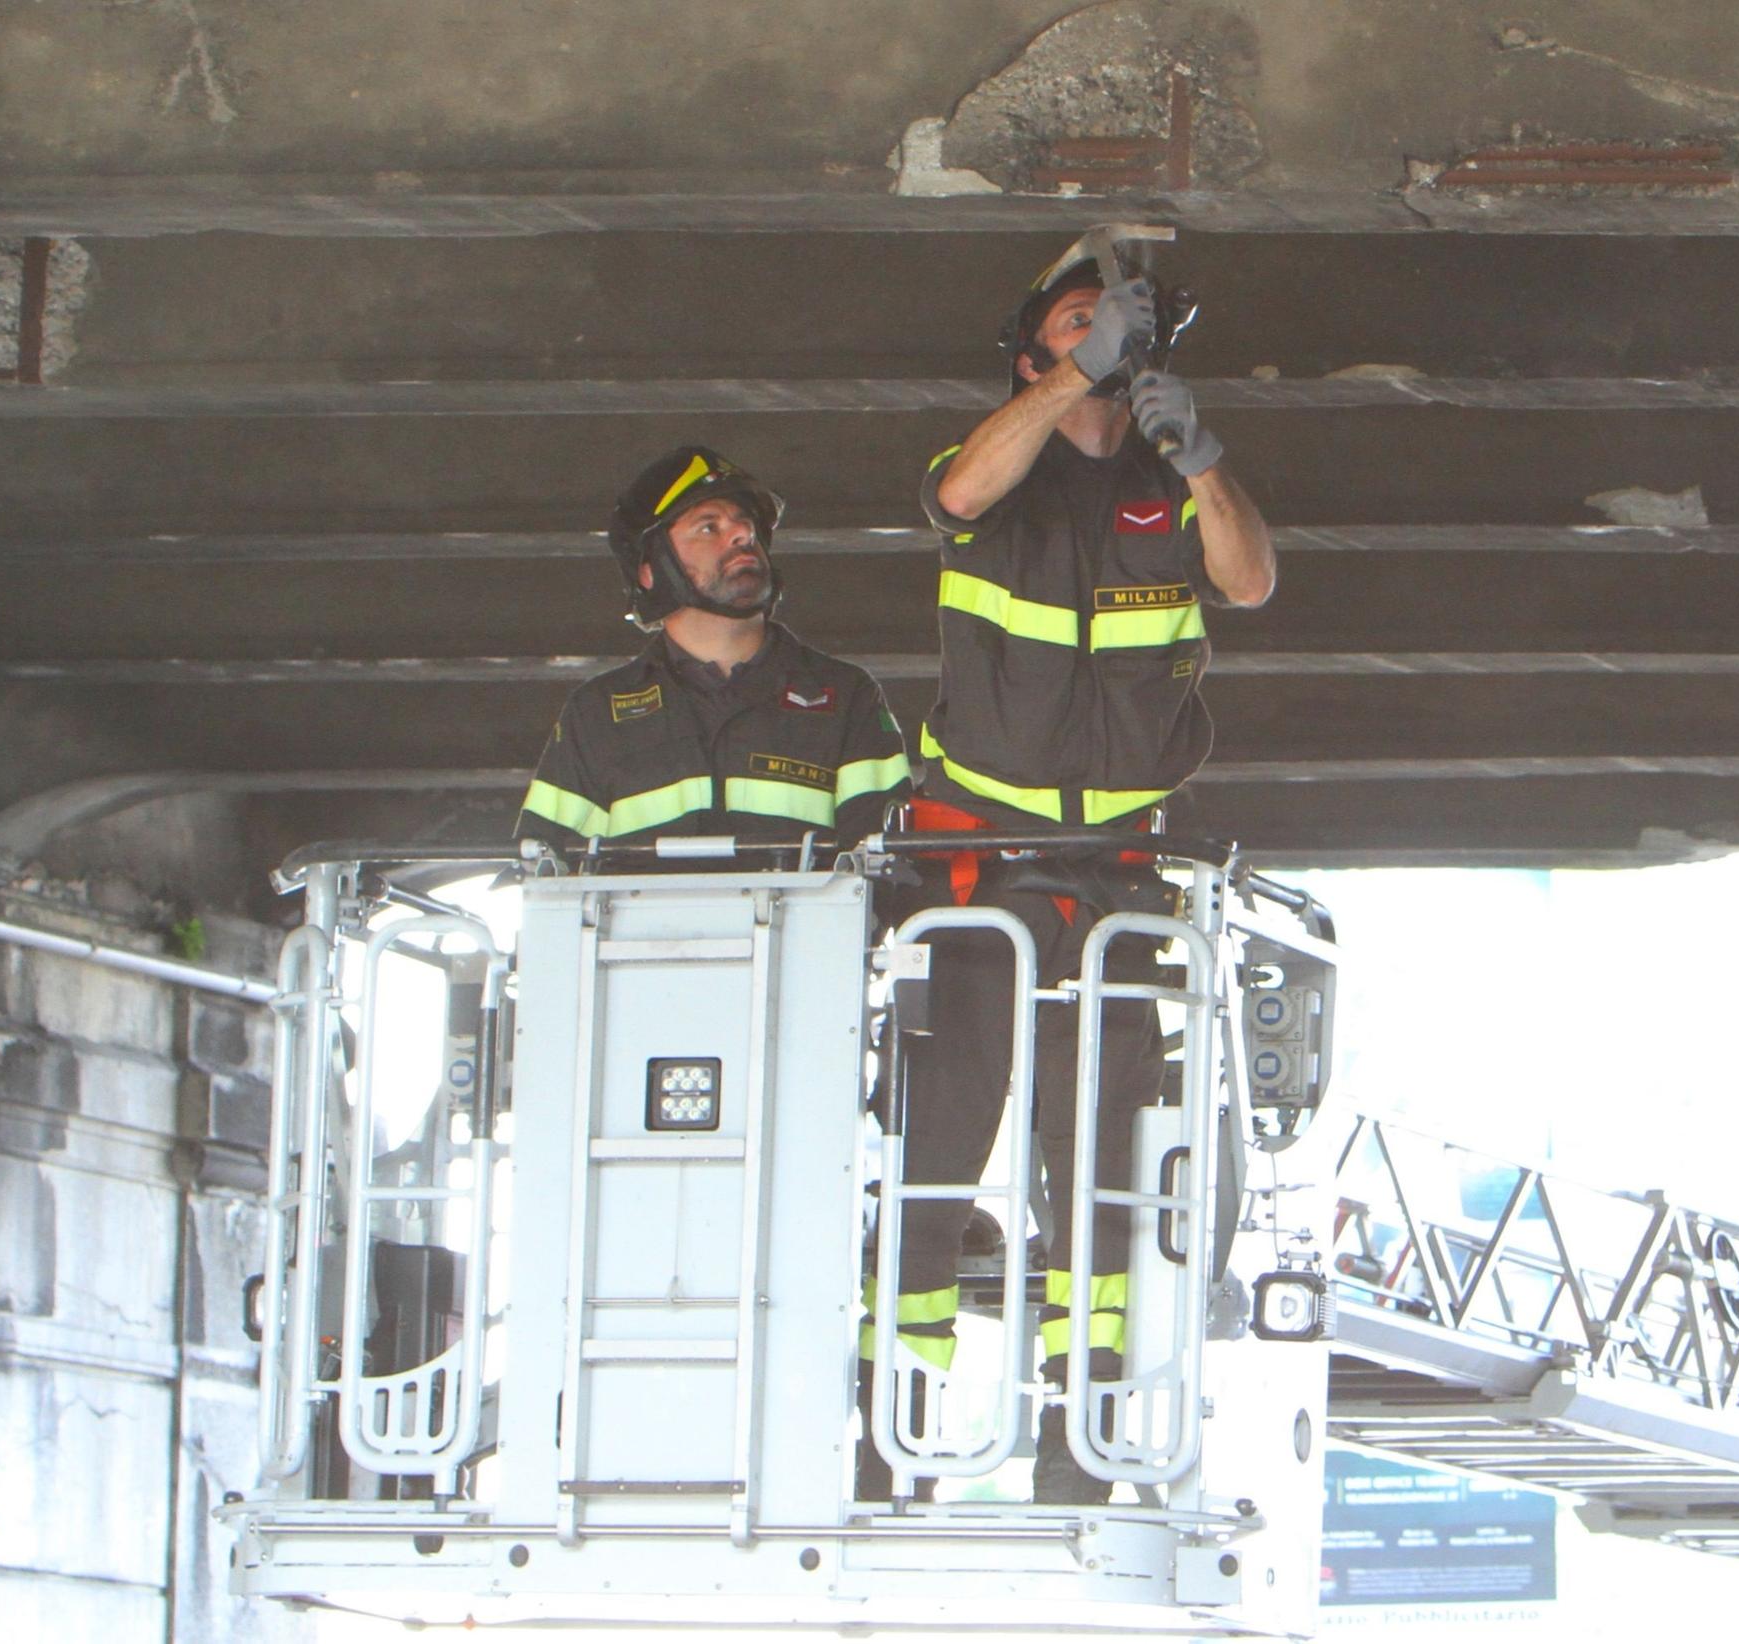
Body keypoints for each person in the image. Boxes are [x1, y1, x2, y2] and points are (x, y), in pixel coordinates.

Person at [865, 253, 1273, 1505]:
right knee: (938, 1148)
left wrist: (1199, 455)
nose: (1103, 337)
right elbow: (954, 490)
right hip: (973, 870)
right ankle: (894, 1430)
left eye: (1122, 326)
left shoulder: (1170, 482)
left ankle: (1078, 1431)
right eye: (1075, 321)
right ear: (1031, 348)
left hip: (1114, 883)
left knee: (1093, 1164)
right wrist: (1067, 386)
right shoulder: (1001, 466)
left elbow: (1250, 579)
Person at [517, 445, 910, 853]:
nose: (742, 534)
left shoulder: (845, 695)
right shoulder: (596, 713)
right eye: (709, 527)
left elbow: (885, 869)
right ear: (652, 570)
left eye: (745, 524)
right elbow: (548, 877)